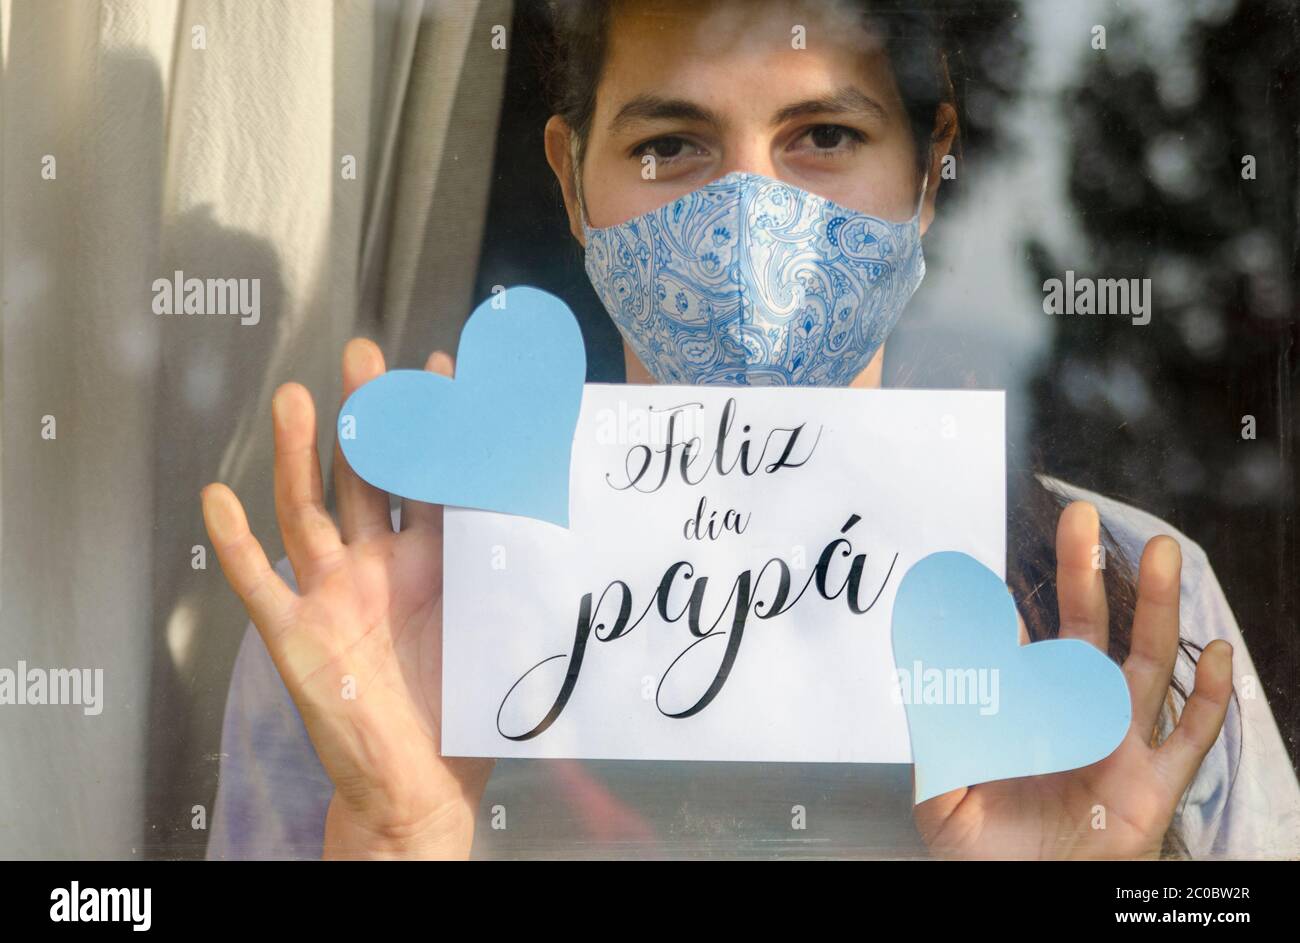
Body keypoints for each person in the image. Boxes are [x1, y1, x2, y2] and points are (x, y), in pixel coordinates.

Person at [199, 0, 1300, 859]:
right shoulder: (391, 617)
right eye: (670, 146)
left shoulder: (1118, 599)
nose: (749, 214)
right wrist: (398, 847)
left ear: (928, 171)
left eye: (823, 133)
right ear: (571, 185)